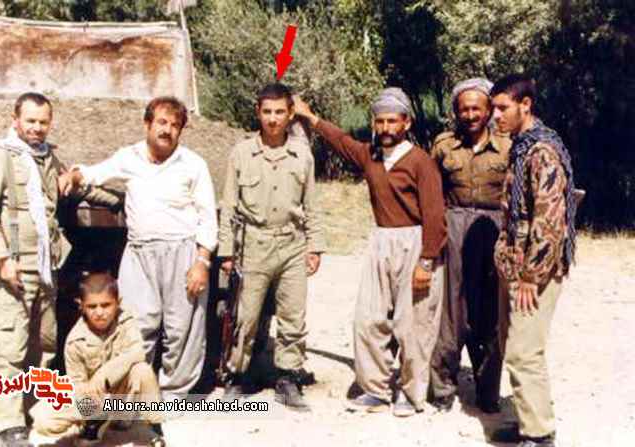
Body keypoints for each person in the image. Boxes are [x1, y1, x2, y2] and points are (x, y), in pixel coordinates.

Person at [294, 88, 447, 417]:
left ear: (406, 122)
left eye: (393, 121)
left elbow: (435, 215)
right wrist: (310, 118)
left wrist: (426, 261)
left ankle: (411, 393)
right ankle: (375, 389)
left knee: (412, 324)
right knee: (368, 319)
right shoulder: (371, 156)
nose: (386, 127)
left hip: (415, 242)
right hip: (381, 242)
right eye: (380, 121)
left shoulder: (420, 162)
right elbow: (342, 142)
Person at [60, 96, 218, 403]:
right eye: (161, 122)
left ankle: (173, 394)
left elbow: (207, 216)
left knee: (181, 328)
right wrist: (73, 176)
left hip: (182, 253)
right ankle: (132, 393)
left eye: (175, 125)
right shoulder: (129, 156)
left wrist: (202, 262)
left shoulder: (193, 164)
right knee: (137, 323)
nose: (167, 130)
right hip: (140, 253)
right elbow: (94, 173)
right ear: (147, 124)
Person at [0, 93, 121, 438]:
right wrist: (2, 260)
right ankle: (7, 422)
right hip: (15, 267)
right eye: (30, 121)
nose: (37, 128)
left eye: (43, 122)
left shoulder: (48, 158)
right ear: (16, 119)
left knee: (43, 343)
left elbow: (75, 189)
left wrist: (122, 198)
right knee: (9, 347)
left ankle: (32, 410)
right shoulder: (2, 156)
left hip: (46, 268)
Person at [218, 83, 325, 412]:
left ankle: (288, 379)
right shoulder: (241, 153)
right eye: (267, 112)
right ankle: (238, 376)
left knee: (293, 316)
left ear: (291, 114)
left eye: (280, 112)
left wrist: (315, 247)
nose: (273, 119)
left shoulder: (302, 155)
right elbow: (229, 206)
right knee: (246, 316)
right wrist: (227, 252)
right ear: (258, 113)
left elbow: (312, 205)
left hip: (291, 244)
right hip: (254, 244)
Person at [489, 74, 577, 447]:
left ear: (525, 105)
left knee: (524, 352)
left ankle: (539, 435)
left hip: (533, 270)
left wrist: (531, 275)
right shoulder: (522, 146)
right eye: (494, 108)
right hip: (515, 263)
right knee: (512, 344)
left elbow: (550, 220)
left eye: (502, 108)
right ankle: (529, 421)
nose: (496, 116)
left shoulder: (542, 151)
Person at [429, 78, 511, 413]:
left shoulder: (508, 145)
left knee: (490, 311)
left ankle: (488, 391)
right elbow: (431, 191)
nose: (471, 114)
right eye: (464, 109)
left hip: (493, 226)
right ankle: (442, 389)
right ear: (456, 111)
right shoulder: (444, 145)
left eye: (477, 108)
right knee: (451, 310)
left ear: (488, 109)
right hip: (454, 223)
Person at [29, 272, 165, 446]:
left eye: (106, 305)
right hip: (95, 402)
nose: (99, 312)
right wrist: (90, 405)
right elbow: (77, 384)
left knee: (142, 370)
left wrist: (103, 375)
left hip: (122, 397)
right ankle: (93, 425)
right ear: (81, 306)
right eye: (92, 306)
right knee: (44, 421)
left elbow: (138, 352)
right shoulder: (75, 341)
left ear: (118, 303)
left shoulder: (126, 322)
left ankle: (154, 428)